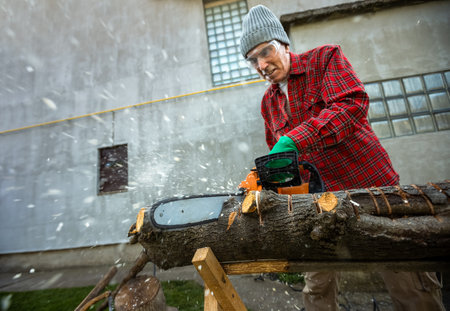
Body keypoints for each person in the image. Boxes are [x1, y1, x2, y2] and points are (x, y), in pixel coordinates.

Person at [239, 5, 445, 311]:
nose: (262, 64)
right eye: (253, 59)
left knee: (409, 280)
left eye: (266, 51)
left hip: (371, 187)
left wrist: (295, 139)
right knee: (317, 287)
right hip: (319, 204)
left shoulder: (324, 60)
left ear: (284, 44)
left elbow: (351, 105)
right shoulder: (268, 103)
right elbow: (284, 161)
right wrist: (267, 181)